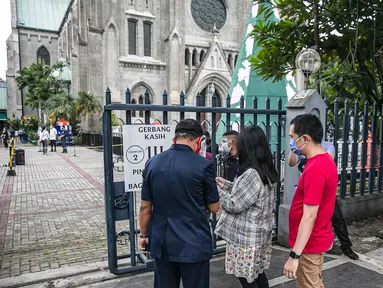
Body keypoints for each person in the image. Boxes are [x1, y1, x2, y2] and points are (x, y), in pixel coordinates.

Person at [138, 119, 220, 288]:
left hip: (163, 243)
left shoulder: (152, 163)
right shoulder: (204, 165)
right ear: (198, 140)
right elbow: (214, 207)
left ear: (175, 139)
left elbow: (145, 207)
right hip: (194, 243)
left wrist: (144, 235)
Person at [215, 125, 277, 288]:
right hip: (260, 235)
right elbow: (247, 194)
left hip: (246, 239)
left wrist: (216, 191)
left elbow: (235, 203)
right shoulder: (265, 169)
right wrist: (225, 185)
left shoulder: (251, 174)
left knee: (246, 279)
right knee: (257, 275)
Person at [284, 114, 338, 287]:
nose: (292, 143)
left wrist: (294, 256)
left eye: (293, 138)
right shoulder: (320, 161)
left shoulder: (316, 168)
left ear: (305, 139)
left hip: (310, 244)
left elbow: (309, 216)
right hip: (312, 241)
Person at [288, 141, 359, 260]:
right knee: (307, 218)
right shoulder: (301, 147)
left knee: (337, 218)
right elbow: (291, 162)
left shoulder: (327, 145)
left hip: (324, 191)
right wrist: (292, 147)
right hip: (308, 190)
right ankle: (306, 246)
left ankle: (346, 246)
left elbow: (328, 160)